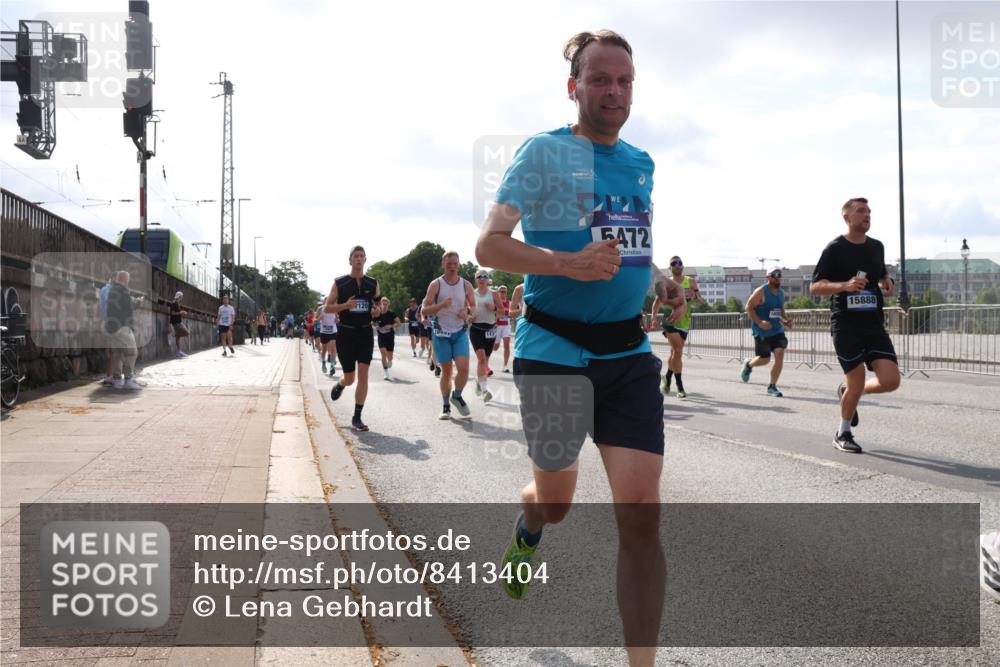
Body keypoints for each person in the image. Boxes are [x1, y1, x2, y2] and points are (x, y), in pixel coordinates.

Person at [475, 30, 663, 665]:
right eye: (601, 79)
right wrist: (567, 262)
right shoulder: (544, 155)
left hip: (628, 357)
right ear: (574, 86)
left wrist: (649, 277)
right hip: (554, 349)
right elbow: (490, 246)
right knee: (556, 503)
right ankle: (529, 525)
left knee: (640, 517)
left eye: (625, 81)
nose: (614, 91)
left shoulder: (641, 162)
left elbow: (628, 244)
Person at [810, 197, 900, 454]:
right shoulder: (835, 248)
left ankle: (847, 391)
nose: (867, 215)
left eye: (869, 211)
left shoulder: (876, 246)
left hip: (873, 325)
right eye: (861, 211)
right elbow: (815, 287)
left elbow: (880, 273)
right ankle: (843, 432)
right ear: (847, 217)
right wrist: (844, 286)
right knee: (857, 381)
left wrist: (887, 281)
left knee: (891, 381)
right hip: (846, 325)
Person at [326, 246, 381, 432]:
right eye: (355, 256)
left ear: (365, 260)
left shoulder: (372, 283)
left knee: (363, 373)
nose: (358, 259)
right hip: (346, 334)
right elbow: (327, 308)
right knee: (350, 378)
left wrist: (377, 309)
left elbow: (378, 303)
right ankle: (341, 384)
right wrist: (345, 305)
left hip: (365, 333)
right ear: (350, 260)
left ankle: (357, 416)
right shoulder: (340, 283)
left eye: (361, 256)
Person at [422, 250, 474, 419]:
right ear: (443, 264)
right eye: (449, 263)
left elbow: (474, 307)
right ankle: (445, 405)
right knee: (447, 372)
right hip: (441, 333)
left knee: (464, 370)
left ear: (459, 265)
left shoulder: (466, 284)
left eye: (455, 263)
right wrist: (441, 305)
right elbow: (425, 309)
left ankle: (456, 396)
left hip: (460, 332)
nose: (452, 266)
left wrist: (467, 311)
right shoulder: (436, 284)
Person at [741, 267, 791, 396]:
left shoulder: (781, 293)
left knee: (779, 354)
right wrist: (760, 322)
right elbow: (749, 307)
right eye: (775, 275)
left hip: (777, 330)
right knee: (765, 359)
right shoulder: (761, 291)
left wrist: (785, 320)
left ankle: (772, 386)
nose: (778, 278)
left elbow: (780, 309)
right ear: (768, 278)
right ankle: (749, 365)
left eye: (779, 275)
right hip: (762, 331)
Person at [659, 255, 703, 398]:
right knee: (678, 351)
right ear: (669, 268)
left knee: (674, 353)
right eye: (674, 263)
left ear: (682, 266)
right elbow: (657, 301)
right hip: (670, 321)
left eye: (679, 263)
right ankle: (680, 386)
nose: (677, 265)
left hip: (684, 322)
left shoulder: (690, 281)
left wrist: (694, 296)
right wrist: (653, 316)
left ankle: (667, 377)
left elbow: (700, 302)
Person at [105, 271, 143, 390]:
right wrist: (139, 302)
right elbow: (129, 305)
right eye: (128, 280)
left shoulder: (113, 290)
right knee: (132, 352)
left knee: (118, 354)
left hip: (112, 328)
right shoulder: (123, 290)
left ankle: (117, 380)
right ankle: (128, 380)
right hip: (122, 327)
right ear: (125, 280)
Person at [470, 271, 503, 401]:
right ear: (476, 279)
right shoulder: (471, 294)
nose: (482, 279)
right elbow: (466, 311)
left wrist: (494, 308)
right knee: (482, 359)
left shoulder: (494, 294)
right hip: (476, 329)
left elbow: (501, 312)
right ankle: (485, 391)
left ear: (488, 279)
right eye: (479, 277)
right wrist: (469, 317)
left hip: (490, 329)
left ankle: (479, 382)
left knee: (485, 361)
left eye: (485, 276)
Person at [374, 297, 400, 380]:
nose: (384, 306)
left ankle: (390, 360)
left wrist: (391, 326)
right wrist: (374, 327)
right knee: (383, 353)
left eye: (386, 304)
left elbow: (398, 323)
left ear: (388, 305)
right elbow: (371, 323)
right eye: (383, 304)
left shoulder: (392, 314)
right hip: (381, 336)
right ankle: (385, 372)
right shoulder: (377, 314)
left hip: (390, 337)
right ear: (380, 304)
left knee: (390, 356)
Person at [99, 273, 118, 385]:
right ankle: (110, 375)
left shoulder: (108, 289)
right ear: (113, 278)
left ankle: (112, 375)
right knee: (112, 350)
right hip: (110, 322)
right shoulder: (108, 290)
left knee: (113, 349)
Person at [494, 285, 514, 372]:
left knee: (507, 345)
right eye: (501, 291)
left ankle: (505, 366)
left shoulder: (509, 303)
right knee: (495, 347)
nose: (503, 293)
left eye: (504, 292)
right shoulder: (495, 303)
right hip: (497, 326)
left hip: (506, 326)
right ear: (498, 293)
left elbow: (512, 313)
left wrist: (511, 314)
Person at [318, 298, 339, 377]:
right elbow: (315, 319)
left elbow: (336, 319)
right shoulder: (320, 309)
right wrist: (319, 318)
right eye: (326, 301)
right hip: (324, 332)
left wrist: (337, 320)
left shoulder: (334, 308)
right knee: (324, 350)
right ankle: (323, 362)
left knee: (333, 349)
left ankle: (332, 366)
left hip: (333, 331)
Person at [169, 291, 189, 357]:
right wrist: (181, 312)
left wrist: (181, 313)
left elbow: (176, 313)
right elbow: (172, 313)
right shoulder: (174, 303)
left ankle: (179, 351)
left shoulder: (177, 304)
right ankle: (176, 335)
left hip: (178, 322)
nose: (182, 298)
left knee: (178, 337)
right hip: (176, 323)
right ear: (180, 297)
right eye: (181, 297)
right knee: (186, 333)